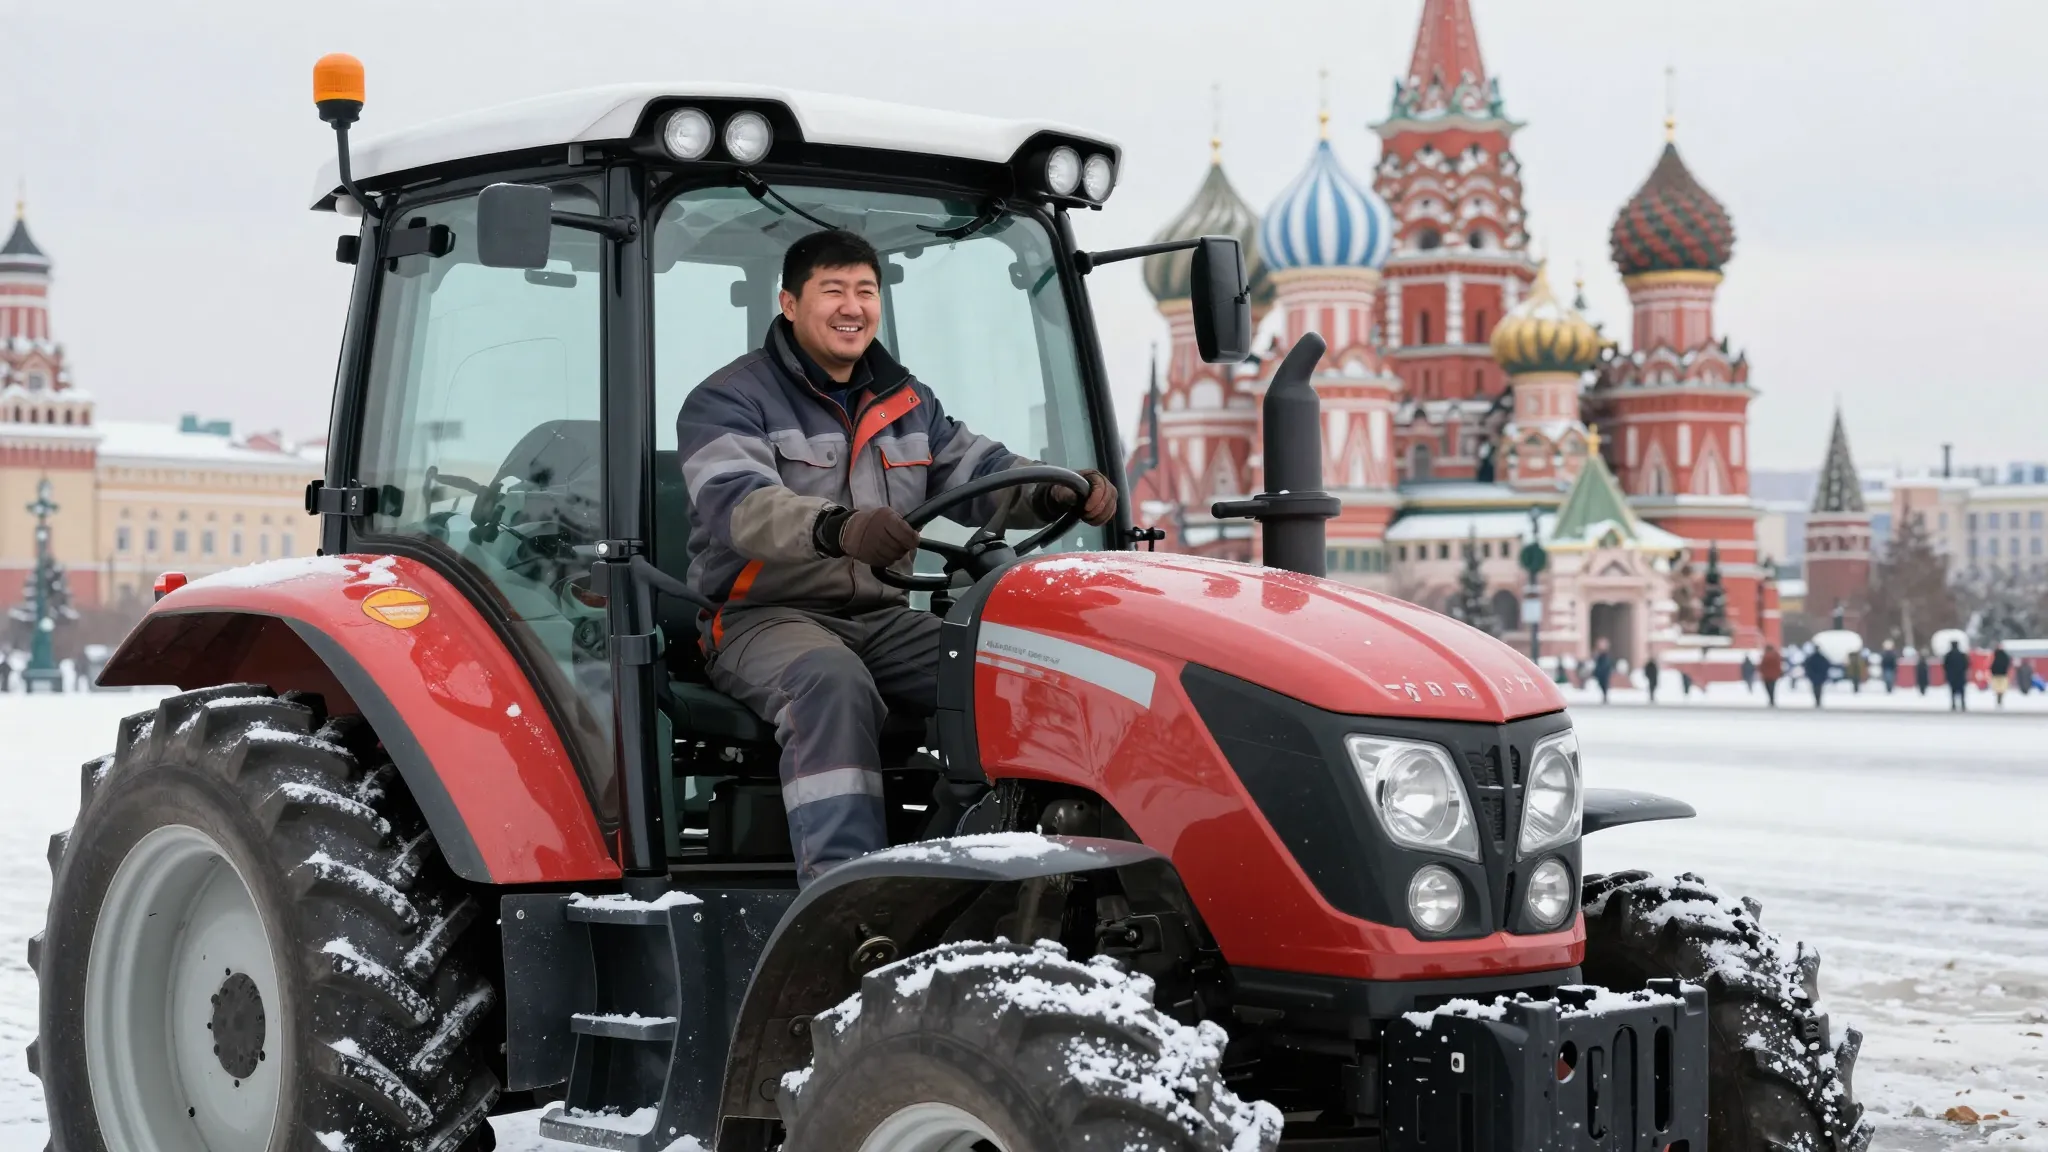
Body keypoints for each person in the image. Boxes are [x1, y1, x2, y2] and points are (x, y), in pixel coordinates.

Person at [677, 229, 1118, 882]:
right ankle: (842, 896)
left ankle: (1009, 859)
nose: (852, 306)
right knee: (829, 680)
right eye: (833, 291)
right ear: (790, 304)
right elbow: (741, 507)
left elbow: (979, 472)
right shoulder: (729, 401)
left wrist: (1054, 487)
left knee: (1000, 668)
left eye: (864, 291)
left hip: (881, 617)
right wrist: (838, 529)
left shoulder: (908, 404)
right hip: (760, 616)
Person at [1942, 640, 1970, 712]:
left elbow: (1945, 666)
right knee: (1962, 691)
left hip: (1952, 676)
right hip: (1960, 675)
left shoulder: (1948, 655)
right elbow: (1966, 665)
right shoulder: (1962, 655)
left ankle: (1953, 704)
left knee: (1952, 691)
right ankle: (1963, 704)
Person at [1990, 642, 2012, 707]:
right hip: (2003, 674)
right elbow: (2008, 664)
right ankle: (2000, 699)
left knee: (1997, 688)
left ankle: (1998, 699)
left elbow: (1991, 664)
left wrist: (1992, 671)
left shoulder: (1994, 655)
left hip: (1996, 675)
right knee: (2001, 688)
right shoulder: (2005, 656)